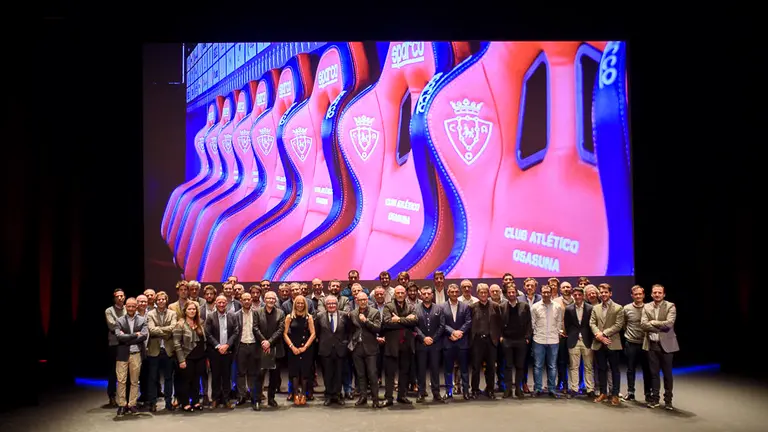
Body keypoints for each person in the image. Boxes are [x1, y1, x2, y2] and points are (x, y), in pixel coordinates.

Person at [641, 284, 679, 410]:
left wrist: (653, 323)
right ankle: (655, 399)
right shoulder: (646, 306)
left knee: (667, 374)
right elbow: (644, 325)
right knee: (654, 374)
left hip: (667, 345)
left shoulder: (670, 306)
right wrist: (658, 326)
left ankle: (668, 401)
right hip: (652, 345)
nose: (657, 294)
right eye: (655, 292)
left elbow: (669, 324)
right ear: (651, 294)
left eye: (659, 292)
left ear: (664, 294)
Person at [381, 285, 418, 406]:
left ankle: (402, 396)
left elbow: (415, 322)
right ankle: (389, 398)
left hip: (407, 345)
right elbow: (387, 323)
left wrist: (398, 320)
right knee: (390, 373)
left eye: (402, 293)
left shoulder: (411, 307)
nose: (400, 295)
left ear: (405, 294)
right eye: (398, 293)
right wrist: (405, 321)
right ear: (394, 294)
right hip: (392, 345)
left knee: (404, 372)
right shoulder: (388, 306)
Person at [590, 283, 625, 406]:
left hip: (612, 342)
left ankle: (615, 394)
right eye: (601, 292)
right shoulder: (596, 308)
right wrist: (598, 335)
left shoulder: (618, 308)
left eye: (606, 292)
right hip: (599, 343)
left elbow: (618, 325)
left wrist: (603, 334)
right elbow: (592, 323)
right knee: (601, 369)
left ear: (610, 293)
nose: (603, 294)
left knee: (615, 370)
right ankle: (603, 392)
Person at [114, 297, 148, 417]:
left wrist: (127, 338)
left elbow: (144, 336)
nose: (131, 308)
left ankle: (132, 404)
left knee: (134, 381)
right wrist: (134, 335)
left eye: (133, 306)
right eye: (129, 306)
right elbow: (118, 336)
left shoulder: (142, 320)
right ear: (125, 307)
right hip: (122, 354)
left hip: (136, 354)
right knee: (121, 380)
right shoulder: (120, 320)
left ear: (136, 307)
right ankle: (122, 405)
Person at [205, 295, 240, 409]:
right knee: (215, 376)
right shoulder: (210, 317)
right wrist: (218, 346)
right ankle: (215, 399)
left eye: (223, 302)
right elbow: (208, 334)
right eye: (219, 302)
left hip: (228, 351)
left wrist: (227, 345)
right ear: (215, 303)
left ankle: (226, 399)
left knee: (226, 376)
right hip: (214, 351)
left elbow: (235, 332)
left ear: (226, 304)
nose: (221, 304)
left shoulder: (232, 316)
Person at [469, 283, 502, 399]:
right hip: (477, 341)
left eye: (485, 292)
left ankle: (490, 389)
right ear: (477, 294)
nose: (483, 294)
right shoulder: (472, 307)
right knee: (475, 367)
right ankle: (474, 390)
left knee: (491, 368)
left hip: (491, 341)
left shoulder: (496, 306)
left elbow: (499, 324)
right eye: (481, 292)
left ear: (488, 293)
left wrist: (497, 338)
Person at [349, 292, 382, 408]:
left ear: (367, 300)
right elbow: (350, 330)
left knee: (372, 374)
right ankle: (363, 397)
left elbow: (377, 328)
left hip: (371, 348)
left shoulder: (375, 312)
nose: (362, 302)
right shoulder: (352, 314)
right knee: (360, 375)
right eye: (360, 300)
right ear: (356, 301)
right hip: (357, 348)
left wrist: (366, 321)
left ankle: (375, 399)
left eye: (364, 299)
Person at [254, 291, 286, 409]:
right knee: (259, 376)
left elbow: (281, 329)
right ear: (265, 299)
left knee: (274, 376)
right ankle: (256, 400)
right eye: (268, 298)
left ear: (275, 300)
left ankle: (271, 399)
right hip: (261, 348)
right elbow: (255, 328)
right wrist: (264, 342)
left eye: (273, 298)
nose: (271, 300)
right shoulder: (257, 312)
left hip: (276, 348)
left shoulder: (280, 313)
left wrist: (269, 342)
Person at [315, 295, 349, 405]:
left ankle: (337, 395)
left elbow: (348, 331)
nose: (331, 305)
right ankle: (328, 395)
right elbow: (317, 332)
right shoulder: (320, 316)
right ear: (325, 305)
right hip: (326, 349)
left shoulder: (344, 316)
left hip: (340, 349)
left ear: (337, 305)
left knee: (339, 374)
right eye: (329, 304)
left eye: (333, 303)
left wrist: (345, 343)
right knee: (327, 374)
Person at [173, 301, 207, 412]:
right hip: (187, 357)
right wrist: (181, 360)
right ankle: (185, 402)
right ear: (185, 311)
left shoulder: (200, 323)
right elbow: (177, 343)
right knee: (186, 381)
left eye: (194, 309)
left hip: (200, 356)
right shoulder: (180, 324)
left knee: (196, 380)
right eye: (189, 309)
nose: (192, 311)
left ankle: (196, 401)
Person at [530, 285, 563, 398]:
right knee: (538, 366)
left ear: (551, 292)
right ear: (541, 293)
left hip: (553, 340)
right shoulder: (535, 307)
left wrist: (557, 332)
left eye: (548, 292)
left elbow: (559, 322)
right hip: (539, 340)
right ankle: (538, 388)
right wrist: (536, 334)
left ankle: (552, 389)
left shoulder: (557, 307)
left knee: (552, 366)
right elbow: (532, 323)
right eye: (544, 292)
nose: (546, 294)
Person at [414, 286, 445, 403]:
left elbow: (442, 326)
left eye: (428, 293)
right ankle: (421, 392)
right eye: (424, 294)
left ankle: (436, 393)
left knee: (435, 369)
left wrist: (433, 338)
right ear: (420, 295)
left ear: (432, 295)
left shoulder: (439, 308)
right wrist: (423, 338)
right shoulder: (415, 308)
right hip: (421, 344)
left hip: (435, 344)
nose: (426, 296)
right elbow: (414, 326)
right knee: (421, 370)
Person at [284, 295, 317, 406]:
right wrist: (292, 347)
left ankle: (303, 394)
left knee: (304, 373)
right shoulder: (289, 317)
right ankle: (295, 395)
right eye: (298, 303)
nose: (300, 305)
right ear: (294, 304)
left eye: (302, 303)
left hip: (306, 348)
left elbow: (313, 334)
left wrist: (305, 347)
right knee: (294, 373)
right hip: (293, 348)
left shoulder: (309, 317)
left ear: (305, 305)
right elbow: (284, 333)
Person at [146, 291, 176, 411]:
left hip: (168, 350)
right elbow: (152, 330)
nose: (161, 301)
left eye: (163, 299)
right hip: (154, 350)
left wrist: (159, 330)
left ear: (166, 300)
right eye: (159, 300)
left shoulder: (172, 313)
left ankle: (168, 402)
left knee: (169, 377)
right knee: (153, 378)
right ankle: (153, 403)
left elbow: (173, 327)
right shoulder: (150, 314)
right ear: (156, 301)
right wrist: (166, 331)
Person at [500, 286, 532, 399]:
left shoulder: (524, 306)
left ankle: (518, 389)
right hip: (507, 340)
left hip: (521, 340)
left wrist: (527, 337)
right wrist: (501, 337)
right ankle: (508, 389)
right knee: (508, 366)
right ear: (506, 294)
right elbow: (498, 323)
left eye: (513, 292)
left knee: (520, 366)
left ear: (517, 293)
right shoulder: (502, 306)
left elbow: (529, 323)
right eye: (509, 292)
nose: (511, 294)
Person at [442, 283, 471, 400]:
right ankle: (449, 391)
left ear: (458, 293)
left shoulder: (465, 306)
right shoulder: (441, 307)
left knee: (464, 369)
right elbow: (442, 324)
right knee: (448, 369)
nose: (454, 294)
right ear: (448, 293)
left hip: (462, 342)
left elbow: (468, 322)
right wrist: (453, 332)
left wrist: (459, 332)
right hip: (448, 341)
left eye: (456, 292)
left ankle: (465, 391)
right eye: (452, 292)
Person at [564, 286, 595, 398]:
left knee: (588, 366)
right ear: (573, 296)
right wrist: (572, 335)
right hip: (573, 340)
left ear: (583, 296)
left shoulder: (590, 308)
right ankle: (574, 388)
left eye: (579, 295)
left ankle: (590, 388)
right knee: (574, 366)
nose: (577, 297)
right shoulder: (568, 309)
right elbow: (567, 325)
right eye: (575, 295)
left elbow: (592, 325)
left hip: (587, 340)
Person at [623, 285, 651, 402]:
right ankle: (630, 392)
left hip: (646, 343)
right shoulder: (626, 308)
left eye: (640, 294)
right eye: (636, 294)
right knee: (630, 369)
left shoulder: (649, 308)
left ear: (643, 295)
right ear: (632, 296)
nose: (638, 296)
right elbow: (624, 324)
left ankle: (648, 393)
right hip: (631, 342)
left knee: (647, 369)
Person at [105, 289, 126, 407]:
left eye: (122, 296)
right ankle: (112, 396)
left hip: (126, 344)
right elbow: (112, 325)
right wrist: (125, 327)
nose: (120, 298)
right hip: (114, 344)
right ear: (114, 298)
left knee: (125, 371)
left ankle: (125, 397)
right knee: (113, 371)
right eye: (117, 296)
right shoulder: (109, 311)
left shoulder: (128, 308)